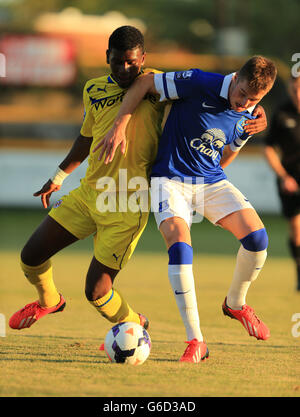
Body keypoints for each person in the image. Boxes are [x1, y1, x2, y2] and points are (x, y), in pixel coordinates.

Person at [95, 55, 277, 362]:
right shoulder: (198, 82)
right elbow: (143, 82)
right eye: (242, 93)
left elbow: (224, 157)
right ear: (235, 79)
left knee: (258, 240)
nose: (243, 102)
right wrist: (119, 126)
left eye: (253, 99)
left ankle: (235, 303)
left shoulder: (249, 116)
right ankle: (196, 340)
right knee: (180, 248)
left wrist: (246, 131)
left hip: (210, 182)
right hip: (169, 180)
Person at [9, 25, 167, 333]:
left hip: (128, 204)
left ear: (143, 58)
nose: (124, 68)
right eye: (117, 61)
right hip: (89, 192)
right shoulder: (93, 88)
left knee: (96, 292)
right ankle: (49, 301)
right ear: (107, 56)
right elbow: (86, 138)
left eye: (131, 62)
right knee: (30, 257)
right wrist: (58, 176)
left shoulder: (159, 86)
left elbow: (209, 94)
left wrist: (248, 113)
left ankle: (136, 324)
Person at [264, 75, 300, 291]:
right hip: (290, 180)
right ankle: (299, 273)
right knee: (296, 228)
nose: (298, 94)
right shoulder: (282, 113)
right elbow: (268, 147)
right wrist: (282, 176)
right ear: (289, 88)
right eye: (294, 89)